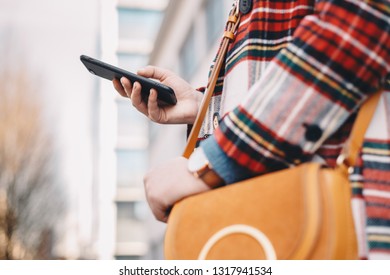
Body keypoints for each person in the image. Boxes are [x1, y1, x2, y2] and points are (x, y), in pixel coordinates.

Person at [113, 0, 390, 260]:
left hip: (344, 215)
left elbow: (355, 27)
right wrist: (203, 107)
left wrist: (209, 164)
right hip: (287, 215)